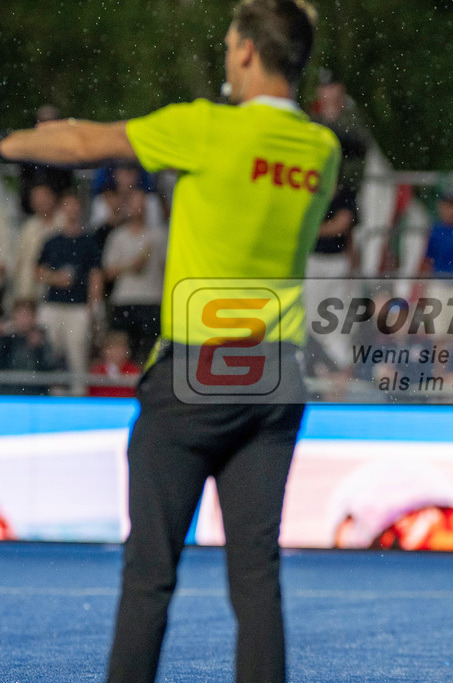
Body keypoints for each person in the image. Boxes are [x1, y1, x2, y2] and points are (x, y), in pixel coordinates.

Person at [0, 2, 338, 681]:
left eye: (227, 43)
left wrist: (7, 144)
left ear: (245, 51)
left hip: (197, 375)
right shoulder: (321, 150)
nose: (222, 55)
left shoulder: (208, 129)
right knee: (256, 577)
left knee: (150, 572)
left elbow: (80, 143)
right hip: (274, 374)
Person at [35, 191, 104, 395]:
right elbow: (37, 271)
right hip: (53, 304)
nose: (72, 212)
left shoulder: (88, 243)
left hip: (78, 307)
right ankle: (51, 393)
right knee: (50, 354)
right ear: (61, 210)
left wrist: (94, 308)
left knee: (77, 355)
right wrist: (56, 278)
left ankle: (78, 395)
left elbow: (95, 277)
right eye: (68, 207)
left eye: (75, 207)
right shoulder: (52, 241)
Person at [102, 187, 167, 364]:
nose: (138, 208)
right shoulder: (117, 237)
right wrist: (131, 266)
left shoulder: (158, 236)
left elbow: (167, 268)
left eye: (142, 203)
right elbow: (108, 272)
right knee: (123, 352)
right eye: (134, 203)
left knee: (149, 353)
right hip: (125, 300)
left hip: (152, 300)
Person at [87, 329, 141, 398]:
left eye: (119, 348)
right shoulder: (96, 371)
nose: (115, 353)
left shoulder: (133, 371)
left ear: (126, 351)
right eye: (112, 349)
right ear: (104, 351)